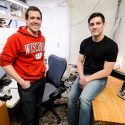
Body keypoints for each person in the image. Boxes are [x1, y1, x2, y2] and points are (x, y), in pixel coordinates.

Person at [68, 12, 118, 125]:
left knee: (84, 99)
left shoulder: (111, 46)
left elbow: (107, 71)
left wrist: (87, 79)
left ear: (103, 24)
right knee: (71, 98)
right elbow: (80, 62)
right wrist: (81, 76)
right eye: (92, 24)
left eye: (98, 23)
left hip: (99, 78)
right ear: (89, 26)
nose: (95, 26)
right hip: (84, 75)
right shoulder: (85, 42)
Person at [1, 6, 46, 125]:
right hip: (27, 85)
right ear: (26, 20)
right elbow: (4, 62)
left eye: (38, 18)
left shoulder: (41, 38)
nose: (36, 21)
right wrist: (21, 81)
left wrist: (43, 68)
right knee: (28, 117)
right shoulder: (15, 38)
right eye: (32, 18)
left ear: (41, 20)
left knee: (37, 109)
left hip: (41, 80)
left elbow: (39, 56)